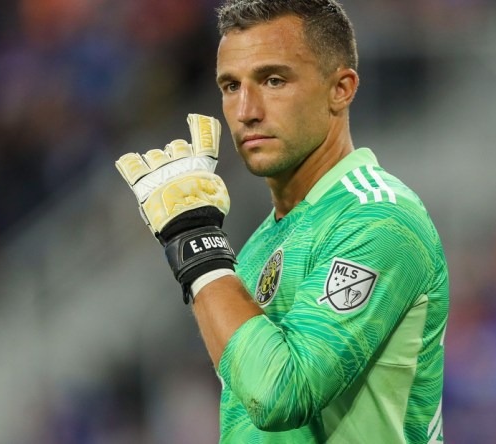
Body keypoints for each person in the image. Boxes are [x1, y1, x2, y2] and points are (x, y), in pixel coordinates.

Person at [115, 0, 449, 442]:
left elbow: (280, 395)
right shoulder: (256, 248)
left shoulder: (380, 219)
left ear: (341, 89)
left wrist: (194, 242)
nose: (246, 110)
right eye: (230, 86)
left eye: (273, 80)